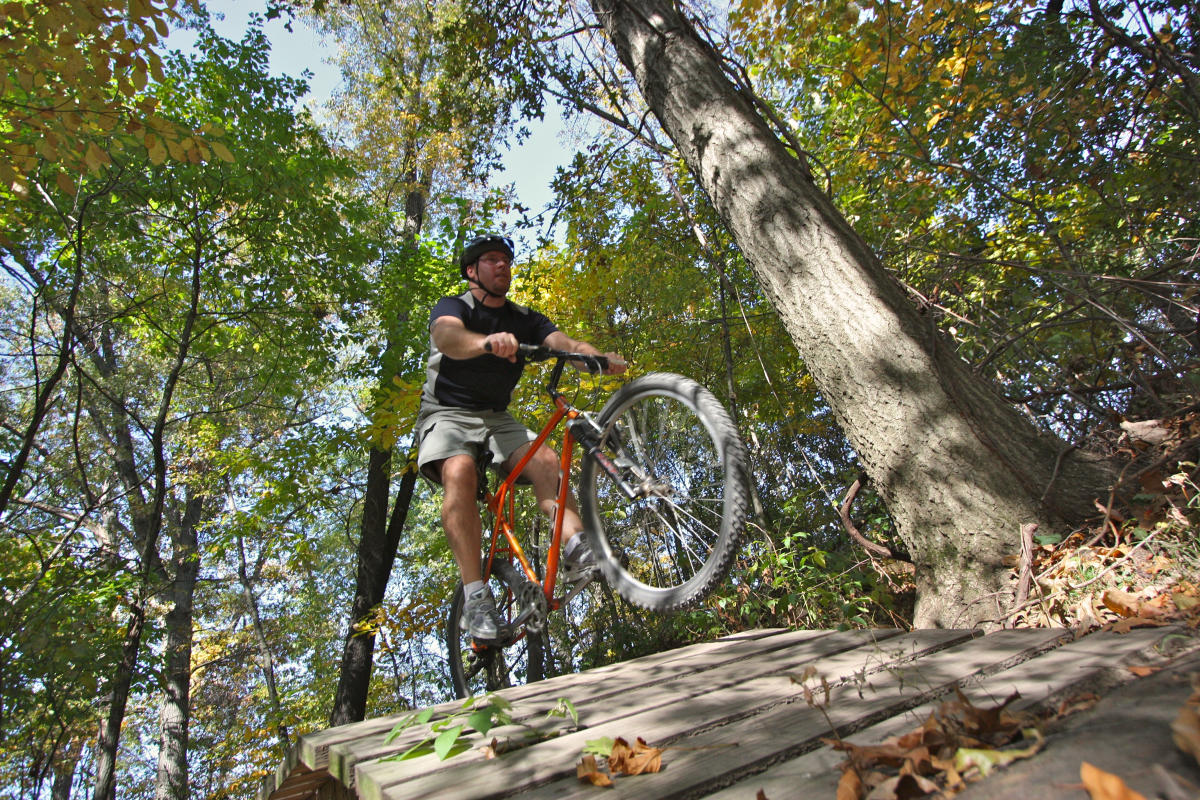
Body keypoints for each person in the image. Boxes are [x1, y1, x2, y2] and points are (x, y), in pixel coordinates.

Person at [415, 233, 627, 644]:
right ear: (472, 271)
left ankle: (577, 548)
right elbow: (447, 337)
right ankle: (476, 597)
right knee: (459, 472)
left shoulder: (524, 317)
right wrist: (485, 343)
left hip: (497, 419)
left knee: (547, 461)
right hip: (446, 414)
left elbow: (563, 343)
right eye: (491, 260)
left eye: (506, 261)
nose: (502, 267)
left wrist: (595, 358)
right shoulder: (454, 307)